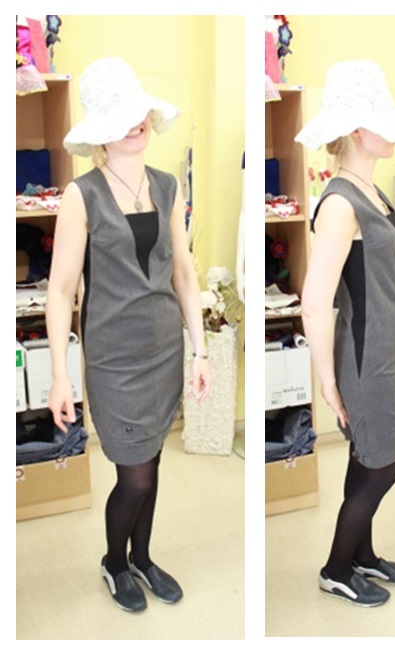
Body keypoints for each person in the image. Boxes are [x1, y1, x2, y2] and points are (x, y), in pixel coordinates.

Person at [47, 57, 212, 613]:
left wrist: (200, 350)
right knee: (134, 475)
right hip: (114, 360)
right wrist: (60, 376)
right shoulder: (81, 195)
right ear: (101, 129)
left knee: (153, 462)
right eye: (120, 116)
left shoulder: (166, 187)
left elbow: (183, 272)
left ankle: (142, 557)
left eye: (138, 112)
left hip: (164, 350)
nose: (135, 122)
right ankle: (115, 562)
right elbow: (60, 291)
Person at [296, 60, 395, 607]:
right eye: (381, 120)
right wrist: (328, 379)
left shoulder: (370, 191)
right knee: (382, 465)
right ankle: (335, 568)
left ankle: (362, 555)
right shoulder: (340, 203)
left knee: (364, 457)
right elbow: (315, 300)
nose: (393, 130)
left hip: (384, 350)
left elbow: (386, 277)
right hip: (364, 355)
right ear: (354, 130)